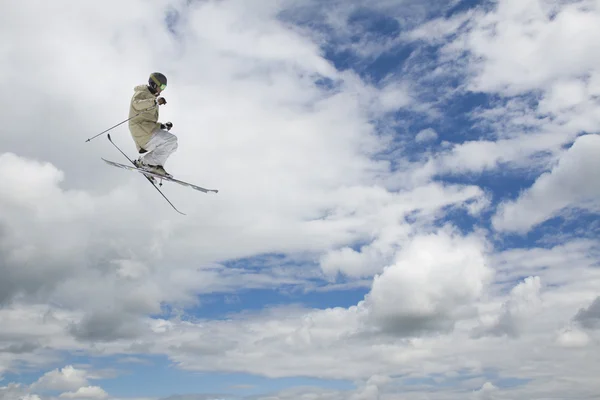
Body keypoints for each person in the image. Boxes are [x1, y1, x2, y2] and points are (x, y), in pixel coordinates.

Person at [128, 72, 177, 178]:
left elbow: (149, 122)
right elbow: (137, 104)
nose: (162, 90)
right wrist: (154, 101)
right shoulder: (141, 93)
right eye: (162, 86)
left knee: (173, 145)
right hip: (140, 131)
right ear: (154, 84)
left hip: (147, 130)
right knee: (171, 140)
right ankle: (149, 164)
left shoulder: (151, 98)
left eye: (164, 87)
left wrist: (162, 126)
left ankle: (151, 165)